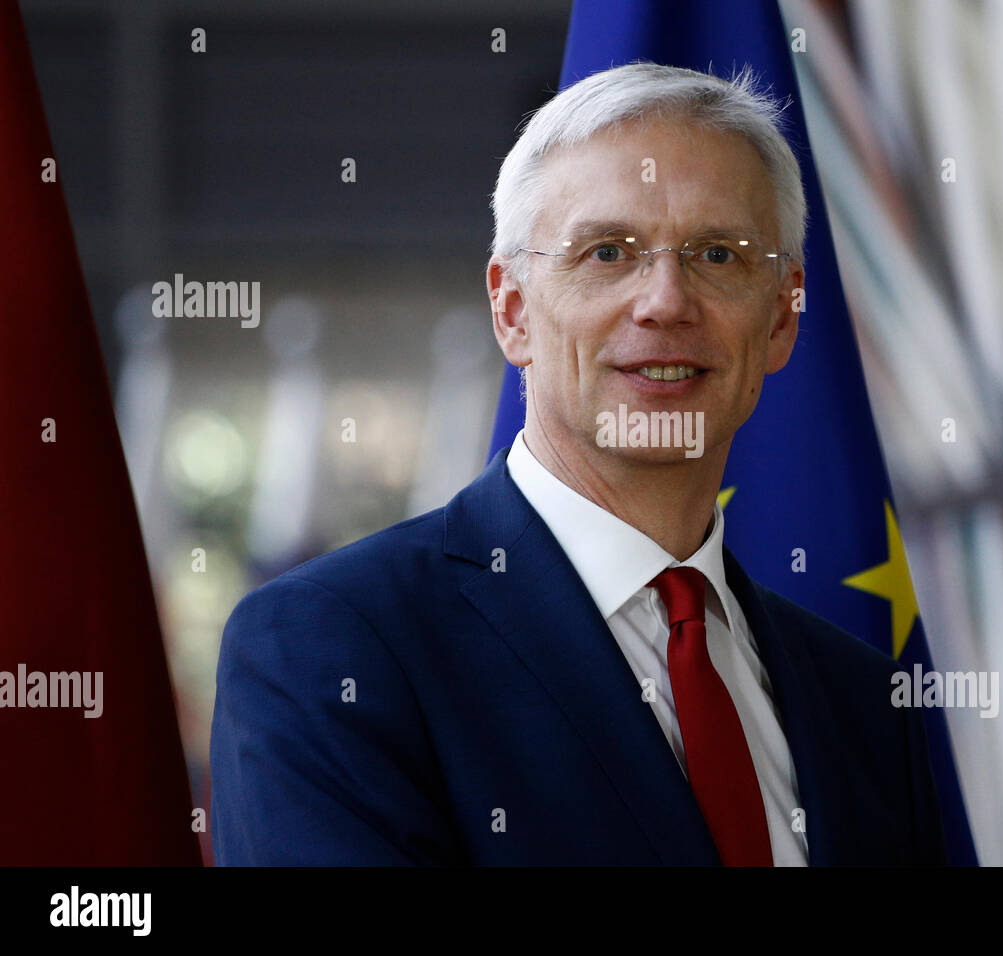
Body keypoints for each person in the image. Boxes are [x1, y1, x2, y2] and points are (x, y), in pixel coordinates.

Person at [210, 61, 948, 866]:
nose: (665, 299)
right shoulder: (331, 648)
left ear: (781, 317)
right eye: (606, 253)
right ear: (513, 310)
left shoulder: (869, 701)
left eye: (717, 254)